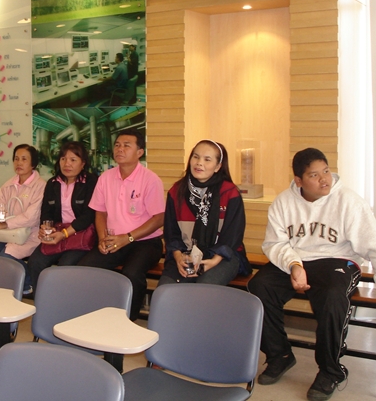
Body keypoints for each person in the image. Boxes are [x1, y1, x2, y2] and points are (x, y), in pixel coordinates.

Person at [248, 148, 376, 401]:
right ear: (299, 181)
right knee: (259, 286)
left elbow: (371, 244)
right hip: (296, 258)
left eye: (326, 171)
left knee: (332, 297)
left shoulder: (349, 201)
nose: (324, 179)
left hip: (338, 260)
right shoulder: (284, 202)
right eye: (314, 175)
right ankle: (280, 355)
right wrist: (294, 265)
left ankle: (330, 371)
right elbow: (274, 243)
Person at [78, 128, 165, 320]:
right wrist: (102, 238)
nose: (120, 149)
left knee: (131, 273)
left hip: (145, 242)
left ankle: (128, 320)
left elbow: (159, 218)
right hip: (113, 240)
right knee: (86, 267)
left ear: (139, 152)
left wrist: (128, 238)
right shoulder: (106, 177)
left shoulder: (150, 180)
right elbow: (100, 212)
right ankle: (98, 313)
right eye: (117, 145)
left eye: (126, 145)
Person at [158, 140, 251, 285]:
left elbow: (232, 235)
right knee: (166, 290)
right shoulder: (176, 191)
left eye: (207, 159)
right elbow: (171, 233)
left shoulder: (230, 193)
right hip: (186, 254)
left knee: (203, 287)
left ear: (218, 166)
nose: (199, 163)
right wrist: (179, 257)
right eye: (195, 157)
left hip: (223, 256)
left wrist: (213, 261)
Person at [28, 141, 98, 291]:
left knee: (65, 265)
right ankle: (41, 298)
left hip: (80, 234)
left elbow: (89, 215)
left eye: (73, 160)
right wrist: (45, 228)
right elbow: (46, 211)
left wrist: (65, 233)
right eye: (63, 159)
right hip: (57, 233)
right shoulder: (52, 183)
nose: (67, 164)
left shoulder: (91, 181)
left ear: (83, 163)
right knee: (35, 262)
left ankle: (62, 300)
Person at [0, 144, 46, 294]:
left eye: (24, 159)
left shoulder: (41, 186)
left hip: (29, 234)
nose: (19, 163)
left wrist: (6, 224)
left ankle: (27, 282)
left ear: (33, 163)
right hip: (6, 233)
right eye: (16, 159)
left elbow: (32, 217)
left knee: (6, 256)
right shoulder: (9, 184)